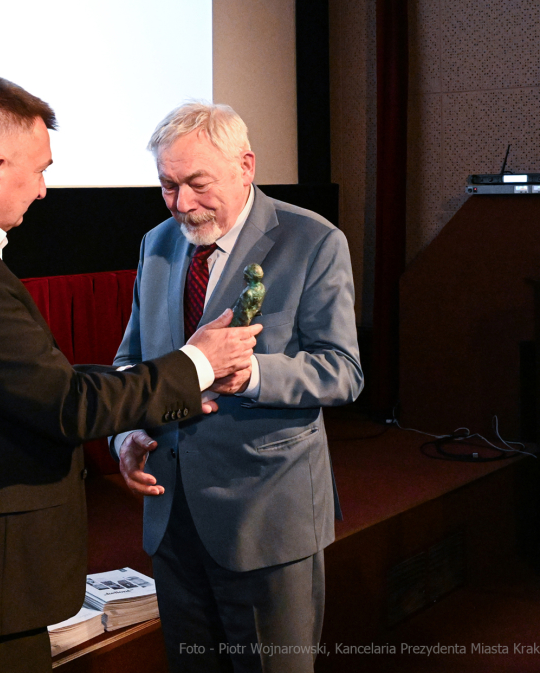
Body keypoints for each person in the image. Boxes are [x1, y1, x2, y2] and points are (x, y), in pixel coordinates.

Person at [0, 77, 262, 673]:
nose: (44, 191)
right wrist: (199, 361)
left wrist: (158, 390)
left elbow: (27, 382)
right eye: (40, 170)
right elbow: (66, 404)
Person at [111, 102, 364, 673]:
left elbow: (344, 371)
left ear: (245, 166)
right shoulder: (158, 243)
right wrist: (125, 432)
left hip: (266, 519)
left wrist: (250, 375)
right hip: (171, 519)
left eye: (197, 183)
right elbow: (131, 359)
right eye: (168, 186)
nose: (182, 204)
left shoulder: (313, 240)